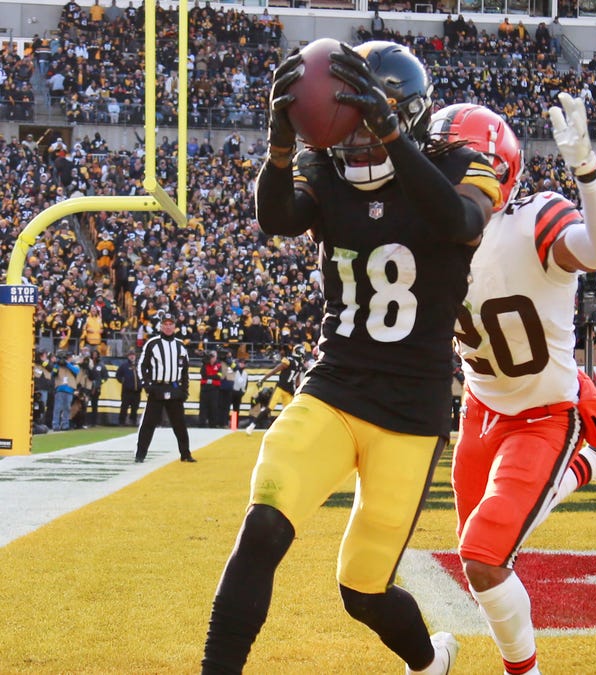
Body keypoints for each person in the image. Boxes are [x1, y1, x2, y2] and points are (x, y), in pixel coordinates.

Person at [202, 41, 499, 675]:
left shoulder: (464, 164)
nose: (358, 140)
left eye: (373, 120)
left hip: (411, 415)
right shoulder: (323, 168)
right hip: (333, 387)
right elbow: (278, 217)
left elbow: (459, 223)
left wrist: (393, 138)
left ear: (406, 114)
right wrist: (280, 148)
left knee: (361, 591)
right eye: (352, 122)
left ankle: (429, 662)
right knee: (262, 531)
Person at [436, 98, 596, 675]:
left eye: (449, 165)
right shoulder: (431, 236)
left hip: (545, 413)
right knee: (481, 562)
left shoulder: (532, 219)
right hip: (479, 411)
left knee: (484, 557)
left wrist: (587, 169)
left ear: (493, 169)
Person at [134, 314, 193, 463]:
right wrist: (147, 386)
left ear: (174, 326)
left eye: (170, 324)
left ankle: (185, 454)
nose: (168, 327)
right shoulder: (152, 343)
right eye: (165, 324)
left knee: (180, 424)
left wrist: (184, 390)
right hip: (157, 388)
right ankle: (140, 455)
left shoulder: (180, 345)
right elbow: (142, 365)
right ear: (161, 326)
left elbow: (185, 370)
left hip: (174, 388)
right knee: (148, 423)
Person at [244, 345, 305, 434]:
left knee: (289, 411)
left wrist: (298, 390)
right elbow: (275, 370)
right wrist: (263, 379)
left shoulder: (300, 365)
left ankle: (287, 430)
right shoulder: (289, 360)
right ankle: (252, 425)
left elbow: (297, 380)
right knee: (269, 408)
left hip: (289, 391)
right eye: (302, 352)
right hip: (280, 387)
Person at [115, 349, 140, 426]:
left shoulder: (139, 365)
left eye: (133, 355)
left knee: (135, 408)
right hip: (127, 391)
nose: (132, 356)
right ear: (128, 356)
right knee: (124, 407)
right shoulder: (124, 365)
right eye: (130, 355)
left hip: (137, 391)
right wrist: (123, 381)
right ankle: (122, 422)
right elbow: (118, 375)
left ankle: (133, 421)